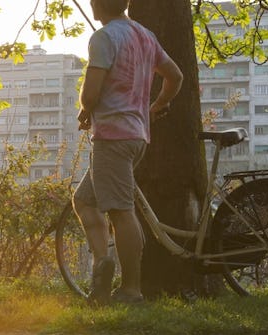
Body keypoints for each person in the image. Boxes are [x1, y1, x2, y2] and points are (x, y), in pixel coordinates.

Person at [74, 0, 183, 305]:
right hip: (137, 137)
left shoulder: (105, 37)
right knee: (84, 201)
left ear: (96, 5)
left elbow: (91, 94)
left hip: (112, 137)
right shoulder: (144, 35)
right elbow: (175, 76)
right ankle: (101, 263)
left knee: (121, 212)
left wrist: (85, 108)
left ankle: (131, 290)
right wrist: (157, 106)